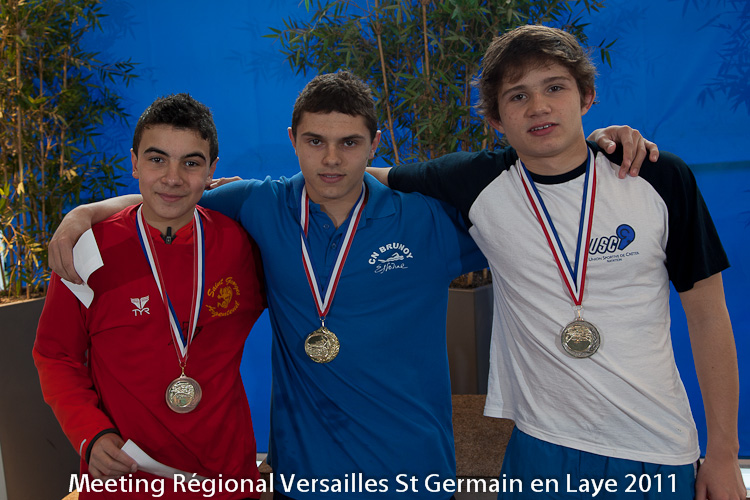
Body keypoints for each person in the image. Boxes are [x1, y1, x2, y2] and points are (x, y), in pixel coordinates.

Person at [47, 71, 657, 500]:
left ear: (374, 145)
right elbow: (173, 196)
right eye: (315, 142)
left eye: (349, 143)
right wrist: (86, 214)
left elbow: (543, 204)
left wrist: (592, 148)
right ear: (293, 141)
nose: (332, 160)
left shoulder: (428, 218)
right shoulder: (259, 207)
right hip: (305, 476)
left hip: (414, 475)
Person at [376, 25, 744, 500]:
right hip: (541, 447)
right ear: (496, 119)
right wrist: (277, 187)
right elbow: (359, 175)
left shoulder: (655, 176)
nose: (539, 106)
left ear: (587, 96)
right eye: (518, 96)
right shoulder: (476, 182)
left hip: (655, 446)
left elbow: (709, 314)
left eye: (555, 87)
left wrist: (723, 454)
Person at [33, 94, 267, 499]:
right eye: (157, 159)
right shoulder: (88, 250)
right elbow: (56, 355)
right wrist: (89, 432)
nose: (172, 178)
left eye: (191, 163)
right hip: (124, 476)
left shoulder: (242, 243)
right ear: (134, 162)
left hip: (226, 477)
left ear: (211, 170)